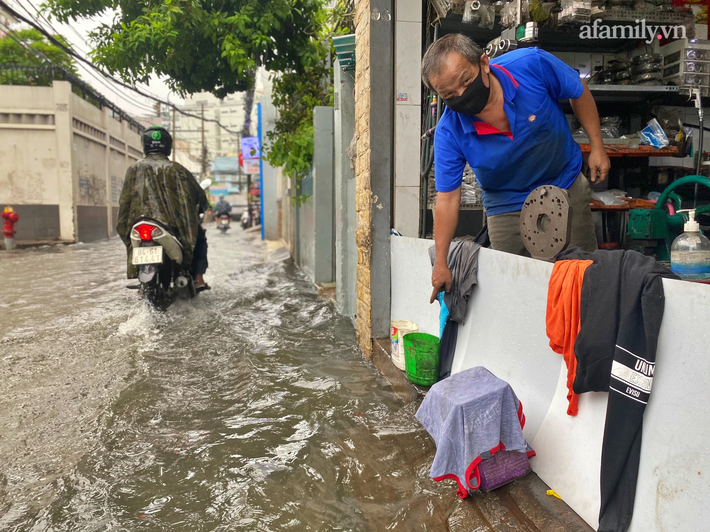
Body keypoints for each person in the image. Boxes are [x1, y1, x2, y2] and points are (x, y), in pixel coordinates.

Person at [422, 34, 610, 303]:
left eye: (465, 81)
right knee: (515, 290)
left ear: (484, 63)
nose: (463, 96)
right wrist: (441, 263)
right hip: (506, 203)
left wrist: (598, 147)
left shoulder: (530, 64)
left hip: (564, 183)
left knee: (580, 279)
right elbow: (447, 199)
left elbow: (578, 91)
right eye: (449, 95)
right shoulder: (449, 132)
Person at [116, 126, 211, 291]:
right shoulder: (178, 169)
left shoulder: (133, 169)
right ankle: (198, 278)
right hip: (172, 228)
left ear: (145, 145)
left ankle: (138, 274)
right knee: (200, 236)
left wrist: (125, 226)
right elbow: (200, 197)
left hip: (140, 224)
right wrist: (203, 207)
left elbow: (124, 202)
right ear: (168, 145)